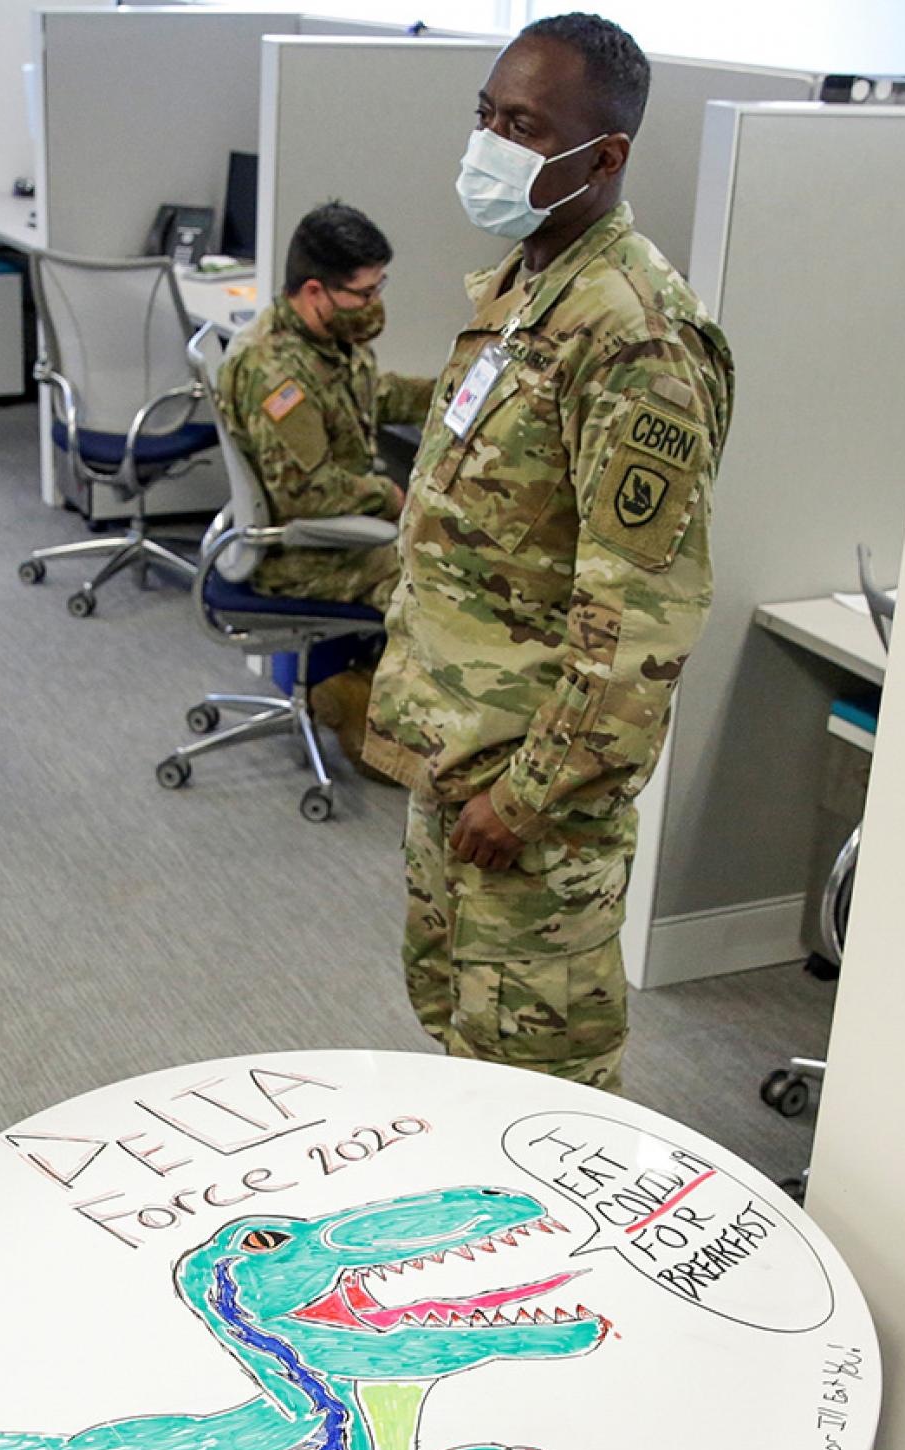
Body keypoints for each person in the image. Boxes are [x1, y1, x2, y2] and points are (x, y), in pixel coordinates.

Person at [364, 14, 733, 1094]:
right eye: (485, 114)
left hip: (527, 801)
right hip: (453, 759)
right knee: (457, 1044)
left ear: (603, 156)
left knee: (543, 1099)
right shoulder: (527, 289)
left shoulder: (634, 336)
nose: (488, 142)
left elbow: (639, 623)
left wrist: (523, 797)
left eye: (520, 126)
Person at [215, 202, 435, 769]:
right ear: (315, 291)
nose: (375, 304)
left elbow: (366, 398)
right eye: (364, 292)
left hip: (325, 532)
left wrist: (448, 393)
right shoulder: (275, 371)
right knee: (434, 574)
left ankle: (349, 690)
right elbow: (303, 494)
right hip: (294, 552)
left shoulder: (328, 340)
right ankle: (381, 731)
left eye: (379, 285)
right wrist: (389, 498)